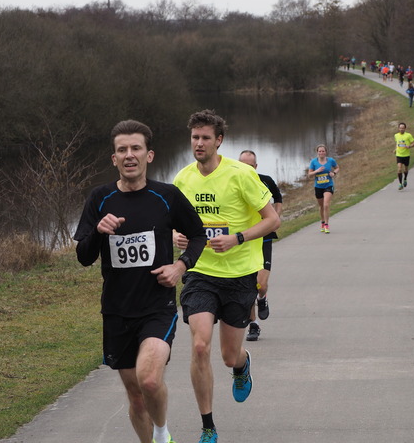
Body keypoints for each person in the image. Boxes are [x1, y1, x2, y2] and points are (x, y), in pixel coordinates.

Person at [74, 120, 207, 443]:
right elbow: (84, 256)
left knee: (149, 380)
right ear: (114, 159)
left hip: (156, 307)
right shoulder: (100, 199)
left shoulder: (167, 196)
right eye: (122, 150)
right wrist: (97, 232)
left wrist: (180, 266)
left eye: (136, 148)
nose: (129, 155)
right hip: (117, 311)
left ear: (149, 155)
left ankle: (162, 433)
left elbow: (198, 236)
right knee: (135, 396)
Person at [172, 110, 280, 443]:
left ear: (219, 140)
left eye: (205, 138)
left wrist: (238, 238)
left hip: (239, 275)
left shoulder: (242, 175)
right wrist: (176, 234)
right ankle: (208, 426)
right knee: (200, 345)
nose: (199, 143)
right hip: (200, 272)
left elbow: (272, 220)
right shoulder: (183, 179)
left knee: (228, 355)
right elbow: (171, 221)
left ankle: (241, 366)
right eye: (194, 137)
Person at [238, 150, 283, 342]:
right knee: (249, 285)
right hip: (244, 240)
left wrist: (275, 217)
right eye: (242, 165)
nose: (246, 169)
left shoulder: (264, 181)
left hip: (263, 238)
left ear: (255, 167)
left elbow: (278, 198)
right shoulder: (232, 182)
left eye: (250, 165)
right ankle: (253, 325)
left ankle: (262, 298)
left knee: (260, 285)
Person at [308, 144, 339, 233]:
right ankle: (322, 221)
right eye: (320, 151)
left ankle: (326, 224)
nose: (321, 153)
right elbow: (309, 175)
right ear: (317, 152)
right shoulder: (314, 162)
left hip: (328, 185)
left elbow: (337, 168)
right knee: (321, 206)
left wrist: (334, 173)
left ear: (326, 152)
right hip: (318, 187)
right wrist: (316, 171)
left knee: (326, 205)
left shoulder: (331, 161)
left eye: (323, 151)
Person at [393, 122, 414, 190]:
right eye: (400, 128)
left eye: (403, 128)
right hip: (399, 154)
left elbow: (413, 143)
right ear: (398, 128)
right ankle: (400, 184)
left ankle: (405, 179)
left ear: (405, 128)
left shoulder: (408, 135)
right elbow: (397, 143)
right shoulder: (396, 135)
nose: (401, 129)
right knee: (399, 169)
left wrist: (409, 146)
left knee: (405, 169)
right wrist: (395, 149)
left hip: (406, 155)